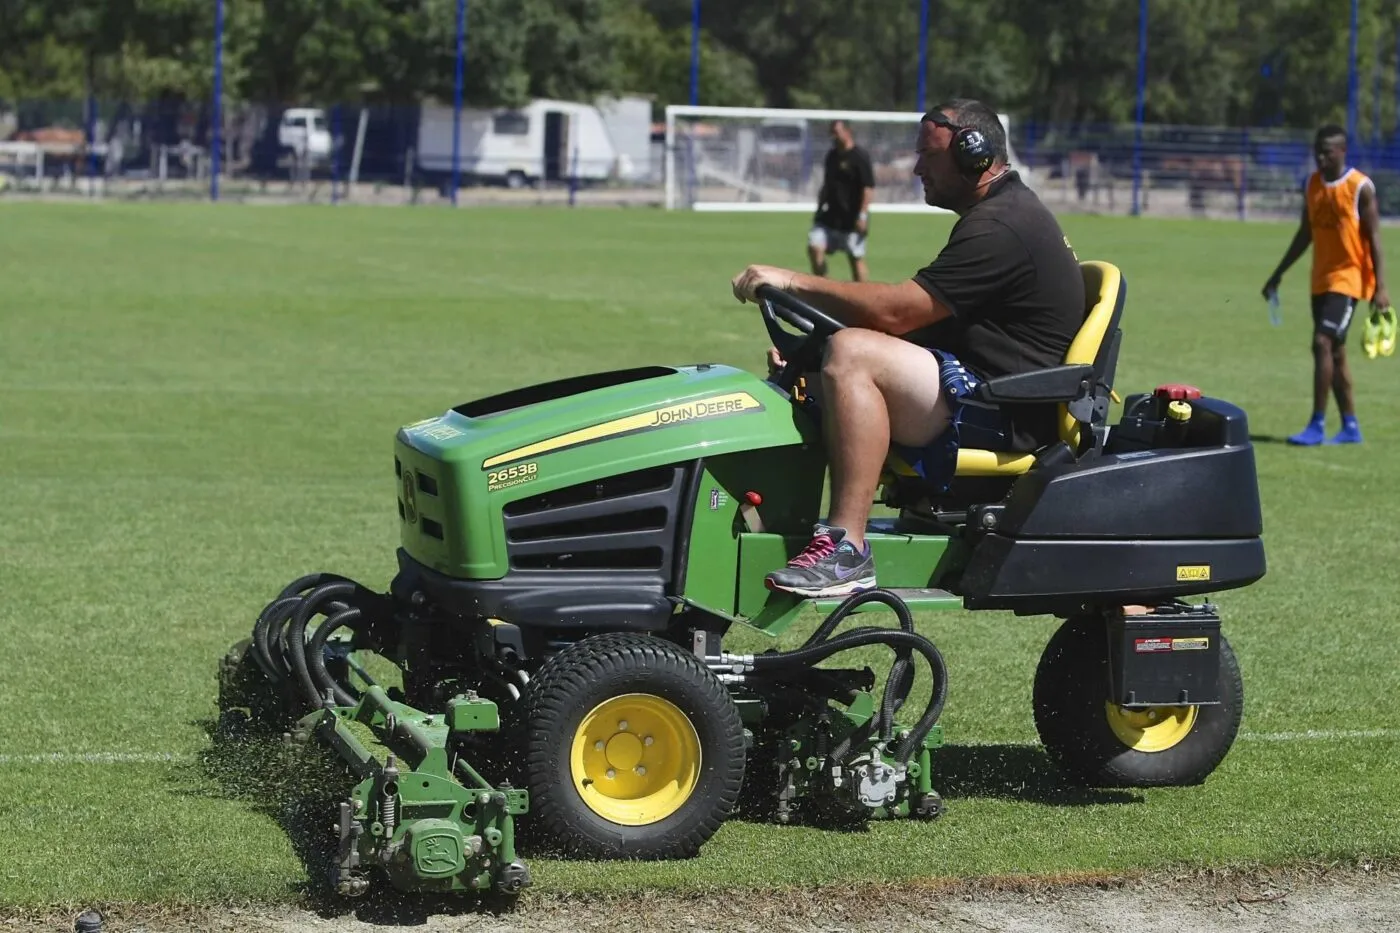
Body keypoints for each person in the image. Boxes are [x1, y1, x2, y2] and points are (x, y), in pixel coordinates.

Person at [731, 99, 1085, 598]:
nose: (917, 167)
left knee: (854, 353)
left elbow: (897, 312)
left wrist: (791, 281)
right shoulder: (998, 214)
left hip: (1004, 409)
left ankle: (846, 550)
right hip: (985, 389)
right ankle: (784, 524)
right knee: (829, 357)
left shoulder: (1002, 226)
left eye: (928, 155)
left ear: (974, 153)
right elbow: (923, 323)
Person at [1262, 124, 1390, 446]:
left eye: (1327, 151)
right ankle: (1350, 427)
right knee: (1336, 354)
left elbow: (1374, 239)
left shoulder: (1360, 187)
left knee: (1321, 343)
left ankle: (1316, 424)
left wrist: (1381, 288)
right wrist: (1278, 273)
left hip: (1350, 279)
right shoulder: (1313, 185)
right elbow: (1305, 233)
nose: (1320, 157)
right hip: (1320, 279)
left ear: (1342, 151)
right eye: (1317, 151)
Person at [808, 120, 876, 282]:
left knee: (855, 259)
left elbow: (868, 188)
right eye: (832, 133)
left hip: (852, 219)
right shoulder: (831, 156)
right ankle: (825, 289)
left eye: (836, 132)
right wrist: (819, 208)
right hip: (830, 216)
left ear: (847, 132)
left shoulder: (860, 156)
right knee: (814, 247)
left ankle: (861, 298)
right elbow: (827, 185)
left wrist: (862, 216)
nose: (833, 136)